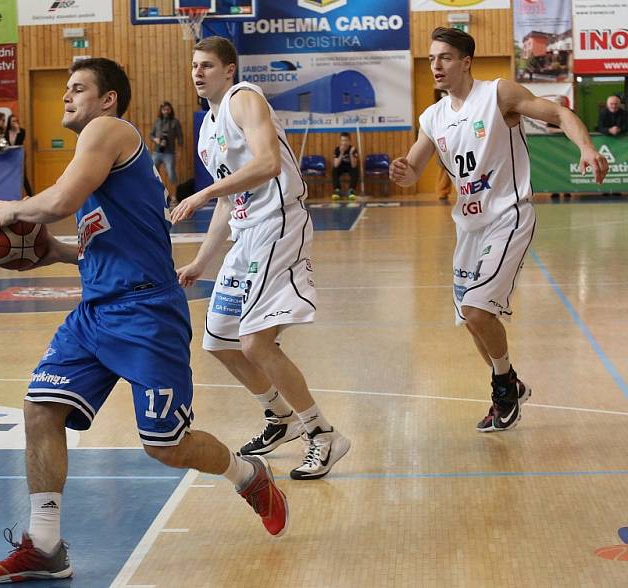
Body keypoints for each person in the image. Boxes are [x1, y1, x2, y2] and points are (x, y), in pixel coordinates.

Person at [0, 57, 288, 584]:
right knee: (41, 408)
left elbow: (61, 200)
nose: (66, 98)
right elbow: (100, 245)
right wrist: (52, 251)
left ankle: (248, 475)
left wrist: (16, 208)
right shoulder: (99, 158)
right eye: (66, 90)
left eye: (78, 89)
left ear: (108, 100)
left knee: (165, 445)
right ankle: (45, 544)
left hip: (146, 314)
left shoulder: (109, 131)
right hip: (96, 312)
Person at [390, 27, 609, 432]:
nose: (436, 65)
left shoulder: (497, 94)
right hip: (468, 227)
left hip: (509, 216)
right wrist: (401, 171)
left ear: (466, 61)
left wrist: (587, 147)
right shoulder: (432, 116)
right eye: (433, 58)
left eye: (445, 58)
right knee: (473, 320)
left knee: (476, 308)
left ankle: (504, 388)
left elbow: (560, 113)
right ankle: (508, 383)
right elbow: (413, 171)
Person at [171, 36, 350, 480]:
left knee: (256, 342)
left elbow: (269, 163)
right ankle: (280, 417)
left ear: (229, 70)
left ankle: (322, 433)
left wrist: (205, 190)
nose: (198, 72)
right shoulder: (208, 128)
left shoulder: (244, 98)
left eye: (207, 65)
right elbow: (230, 204)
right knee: (219, 341)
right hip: (247, 233)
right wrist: (201, 262)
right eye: (195, 65)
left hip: (279, 224)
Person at [150, 101, 184, 202]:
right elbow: (151, 134)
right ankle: (156, 197)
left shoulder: (175, 122)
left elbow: (180, 137)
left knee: (171, 175)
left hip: (169, 153)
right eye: (164, 109)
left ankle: (174, 196)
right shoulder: (157, 121)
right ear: (161, 110)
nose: (166, 111)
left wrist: (179, 152)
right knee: (153, 174)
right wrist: (155, 139)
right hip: (156, 152)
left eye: (168, 109)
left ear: (170, 110)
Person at [7, 114, 34, 196]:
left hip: (18, 156)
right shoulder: (6, 132)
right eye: (13, 121)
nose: (15, 123)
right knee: (9, 176)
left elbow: (19, 142)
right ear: (9, 122)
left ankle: (30, 195)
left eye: (16, 121)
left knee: (23, 177)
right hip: (9, 157)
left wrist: (17, 130)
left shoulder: (22, 131)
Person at [331, 131, 359, 200]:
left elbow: (353, 165)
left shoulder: (353, 149)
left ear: (349, 141)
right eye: (342, 140)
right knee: (334, 169)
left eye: (346, 140)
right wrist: (341, 153)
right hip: (340, 167)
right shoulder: (337, 149)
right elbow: (336, 164)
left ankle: (351, 190)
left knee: (355, 169)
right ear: (340, 141)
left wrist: (350, 154)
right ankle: (337, 190)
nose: (344, 142)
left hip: (350, 167)